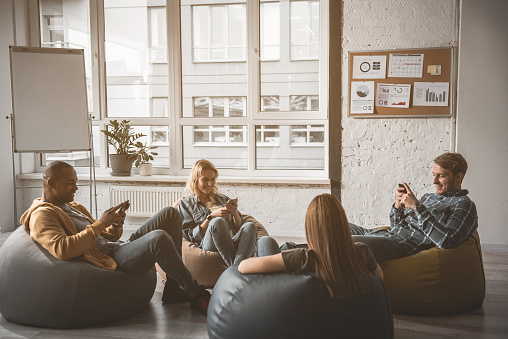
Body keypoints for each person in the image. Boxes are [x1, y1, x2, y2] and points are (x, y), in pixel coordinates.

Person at [20, 161, 210, 315]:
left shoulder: (71, 206)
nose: (76, 187)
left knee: (170, 213)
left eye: (75, 181)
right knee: (158, 238)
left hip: (118, 246)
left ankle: (175, 289)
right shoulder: (42, 215)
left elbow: (105, 235)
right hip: (112, 258)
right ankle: (196, 293)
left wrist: (114, 224)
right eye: (70, 183)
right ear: (51, 183)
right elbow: (62, 249)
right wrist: (100, 223)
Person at [238, 194, 383, 299]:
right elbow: (379, 279)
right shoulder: (362, 251)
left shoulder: (304, 257)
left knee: (264, 242)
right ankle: (286, 248)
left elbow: (243, 267)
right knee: (284, 245)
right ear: (343, 225)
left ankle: (285, 249)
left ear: (311, 228)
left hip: (282, 294)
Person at [348, 152, 478, 262]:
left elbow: (447, 241)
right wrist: (398, 207)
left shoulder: (463, 204)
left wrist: (417, 206)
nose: (434, 181)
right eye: (434, 175)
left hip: (397, 244)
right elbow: (396, 227)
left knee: (341, 243)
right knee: (330, 224)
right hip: (382, 234)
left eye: (441, 176)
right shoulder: (428, 197)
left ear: (458, 177)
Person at [178, 159, 276, 267]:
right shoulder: (185, 204)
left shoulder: (222, 198)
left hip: (232, 240)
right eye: (205, 179)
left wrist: (235, 214)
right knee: (217, 222)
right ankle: (234, 268)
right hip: (210, 243)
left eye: (213, 179)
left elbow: (240, 228)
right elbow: (190, 236)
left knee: (250, 225)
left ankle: (237, 266)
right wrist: (211, 217)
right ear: (195, 179)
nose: (210, 184)